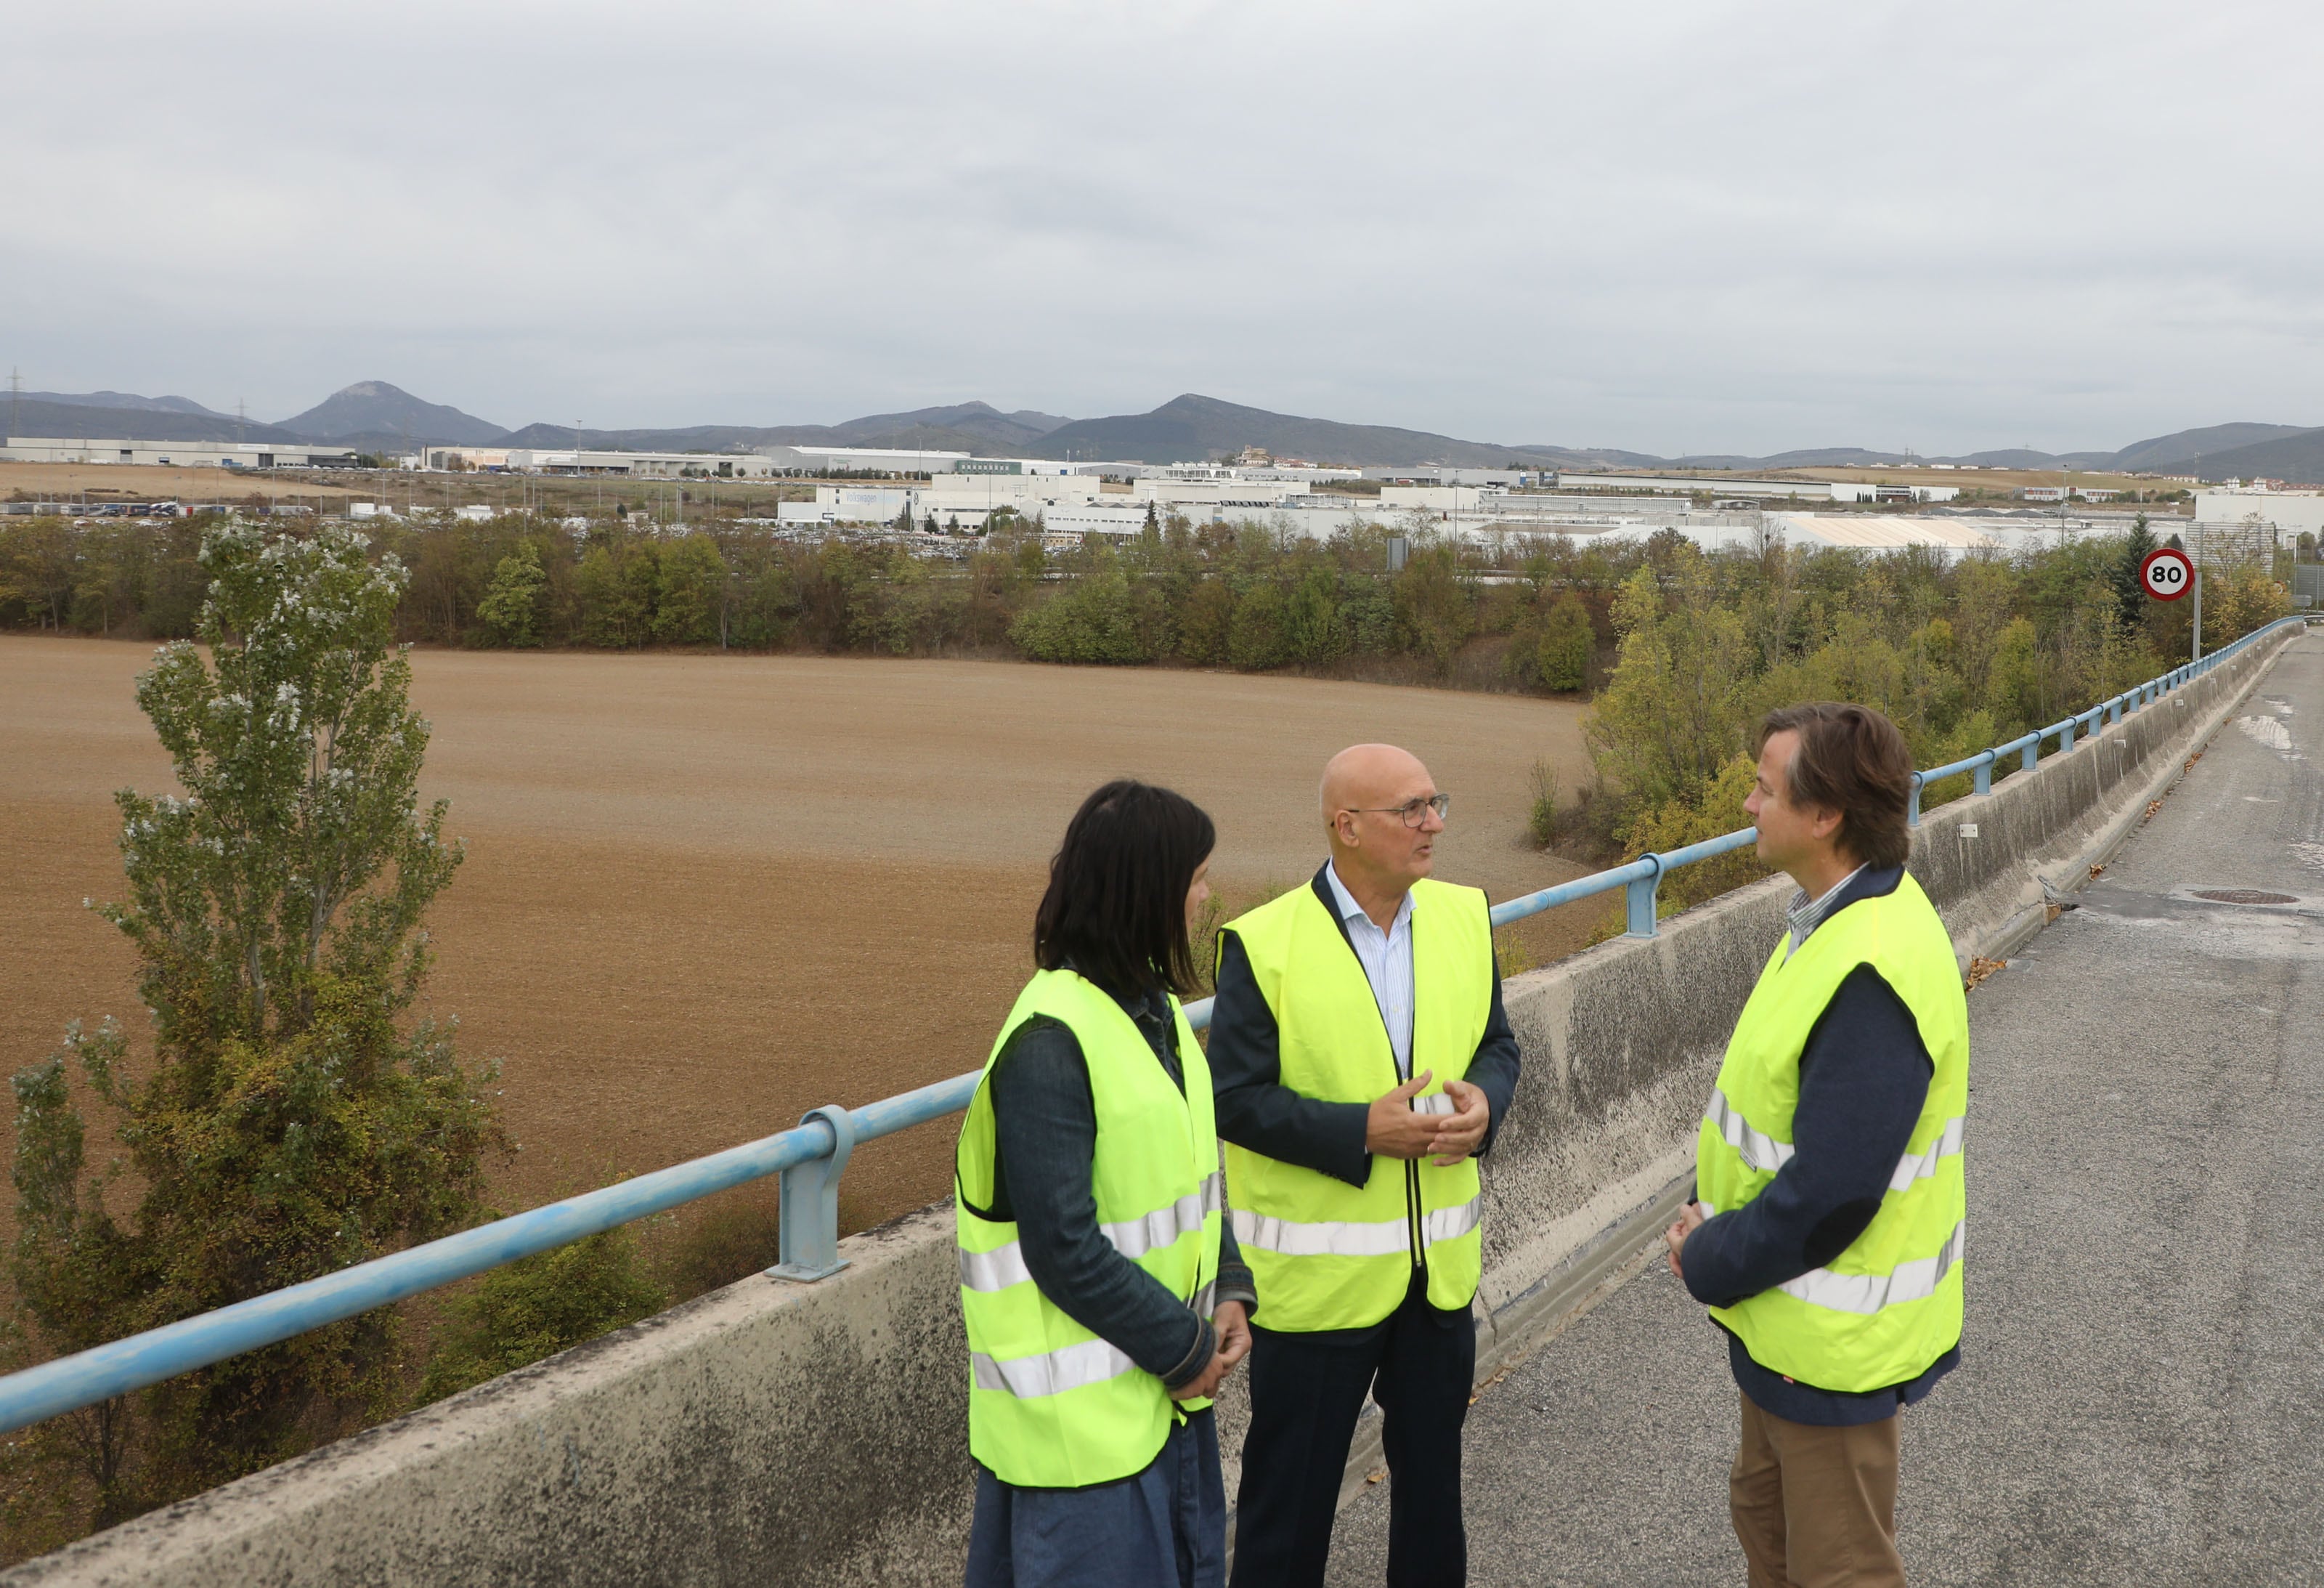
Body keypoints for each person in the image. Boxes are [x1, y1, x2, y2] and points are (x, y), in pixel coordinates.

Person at [1664, 702, 1969, 1588]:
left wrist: (1710, 1253)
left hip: (1830, 1348)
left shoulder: (1868, 964)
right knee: (1767, 1526)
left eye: (1764, 788)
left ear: (1825, 813)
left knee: (1836, 1568)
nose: (1748, 805)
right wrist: (1706, 1208)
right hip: (1785, 1330)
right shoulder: (1830, 916)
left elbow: (1834, 1187)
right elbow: (1766, 1108)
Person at [1208, 743, 1521, 1588]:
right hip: (1317, 1293)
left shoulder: (1462, 913)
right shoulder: (1262, 942)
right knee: (1287, 1513)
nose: (1435, 823)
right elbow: (1233, 1098)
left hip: (1435, 1284)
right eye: (1412, 808)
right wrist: (1359, 1130)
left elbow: (1497, 1044)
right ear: (1346, 826)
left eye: (1435, 803)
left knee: (1431, 1506)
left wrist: (1486, 1103)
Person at [956, 779, 1259, 1588]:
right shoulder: (1049, 1043)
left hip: (1159, 1409)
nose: (1204, 896)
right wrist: (1184, 1345)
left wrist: (1229, 1284)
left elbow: (1192, 1174)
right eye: (1194, 878)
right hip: (1077, 1449)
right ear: (1145, 890)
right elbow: (1060, 1244)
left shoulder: (1149, 1012)